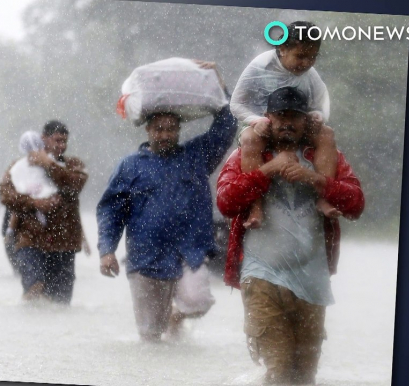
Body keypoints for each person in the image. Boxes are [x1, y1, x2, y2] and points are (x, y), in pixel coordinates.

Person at [217, 86, 365, 384]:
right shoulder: (248, 153)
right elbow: (225, 202)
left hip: (312, 282)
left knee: (304, 377)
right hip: (261, 279)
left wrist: (316, 180)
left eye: (295, 117)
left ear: (306, 120)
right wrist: (268, 170)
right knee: (278, 371)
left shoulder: (326, 156)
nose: (287, 123)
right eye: (280, 116)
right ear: (268, 118)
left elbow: (356, 203)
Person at [97, 61, 237, 342]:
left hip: (189, 250)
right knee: (150, 338)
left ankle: (176, 317)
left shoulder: (196, 156)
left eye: (171, 129)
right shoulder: (130, 166)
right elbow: (111, 211)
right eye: (158, 129)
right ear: (148, 129)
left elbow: (227, 125)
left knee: (197, 301)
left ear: (179, 130)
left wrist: (219, 84)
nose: (164, 135)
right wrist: (107, 250)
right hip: (145, 257)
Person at [231, 21, 339, 230]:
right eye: (300, 56)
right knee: (249, 139)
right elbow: (236, 103)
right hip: (265, 126)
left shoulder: (311, 73)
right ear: (282, 48)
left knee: (327, 134)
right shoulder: (259, 66)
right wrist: (256, 120)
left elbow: (322, 101)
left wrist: (318, 115)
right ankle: (256, 206)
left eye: (312, 57)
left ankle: (323, 196)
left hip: (298, 127)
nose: (307, 63)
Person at [0, 121, 88, 304]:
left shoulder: (73, 164)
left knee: (60, 304)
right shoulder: (19, 166)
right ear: (43, 139)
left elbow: (74, 185)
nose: (61, 146)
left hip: (64, 243)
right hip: (30, 240)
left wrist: (49, 164)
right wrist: (34, 203)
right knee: (34, 288)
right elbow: (5, 194)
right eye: (57, 140)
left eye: (64, 141)